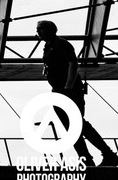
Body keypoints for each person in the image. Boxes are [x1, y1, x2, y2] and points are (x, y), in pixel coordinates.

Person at [36, 20, 118, 167]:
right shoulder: (47, 47)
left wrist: (68, 88)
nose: (37, 32)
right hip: (58, 91)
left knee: (78, 124)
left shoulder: (62, 44)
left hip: (69, 90)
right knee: (71, 128)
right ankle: (88, 159)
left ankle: (106, 155)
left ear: (49, 30)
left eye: (40, 29)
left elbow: (73, 64)